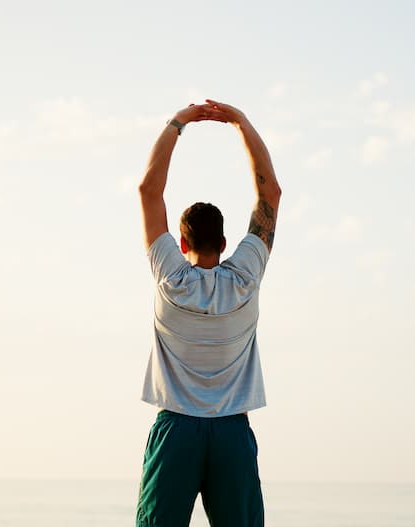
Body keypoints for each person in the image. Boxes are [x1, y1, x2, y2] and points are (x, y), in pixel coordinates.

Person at [134, 99, 282, 527]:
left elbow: (149, 191)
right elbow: (269, 192)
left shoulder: (170, 279)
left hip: (177, 429)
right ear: (226, 240)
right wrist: (240, 121)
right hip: (231, 433)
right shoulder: (245, 277)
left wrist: (179, 122)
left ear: (181, 243)